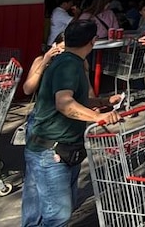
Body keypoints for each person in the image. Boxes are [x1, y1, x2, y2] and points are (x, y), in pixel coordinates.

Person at [22, 19, 121, 227]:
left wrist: (102, 102)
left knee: (48, 209)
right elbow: (64, 103)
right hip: (51, 150)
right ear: (93, 41)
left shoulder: (70, 61)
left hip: (59, 147)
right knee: (57, 215)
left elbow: (74, 99)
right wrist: (97, 117)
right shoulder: (68, 64)